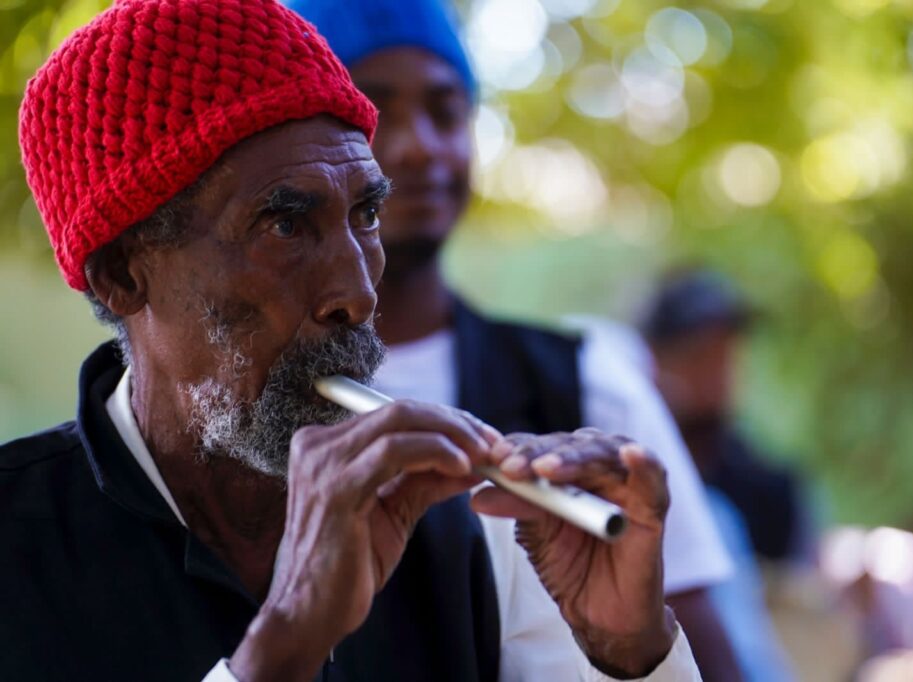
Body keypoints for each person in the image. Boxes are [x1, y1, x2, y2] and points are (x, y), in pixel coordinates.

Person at [2, 1, 701, 680]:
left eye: (366, 214)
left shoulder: (477, 529)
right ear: (124, 275)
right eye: (283, 225)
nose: (359, 294)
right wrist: (283, 645)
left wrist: (625, 655)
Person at [286, 1, 741, 678]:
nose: (419, 146)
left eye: (446, 111)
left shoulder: (585, 380)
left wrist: (630, 644)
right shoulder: (254, 396)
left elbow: (703, 653)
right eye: (373, 111)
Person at [641, 270, 814, 564]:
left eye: (725, 355)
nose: (715, 375)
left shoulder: (768, 488)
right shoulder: (631, 470)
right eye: (698, 356)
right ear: (656, 360)